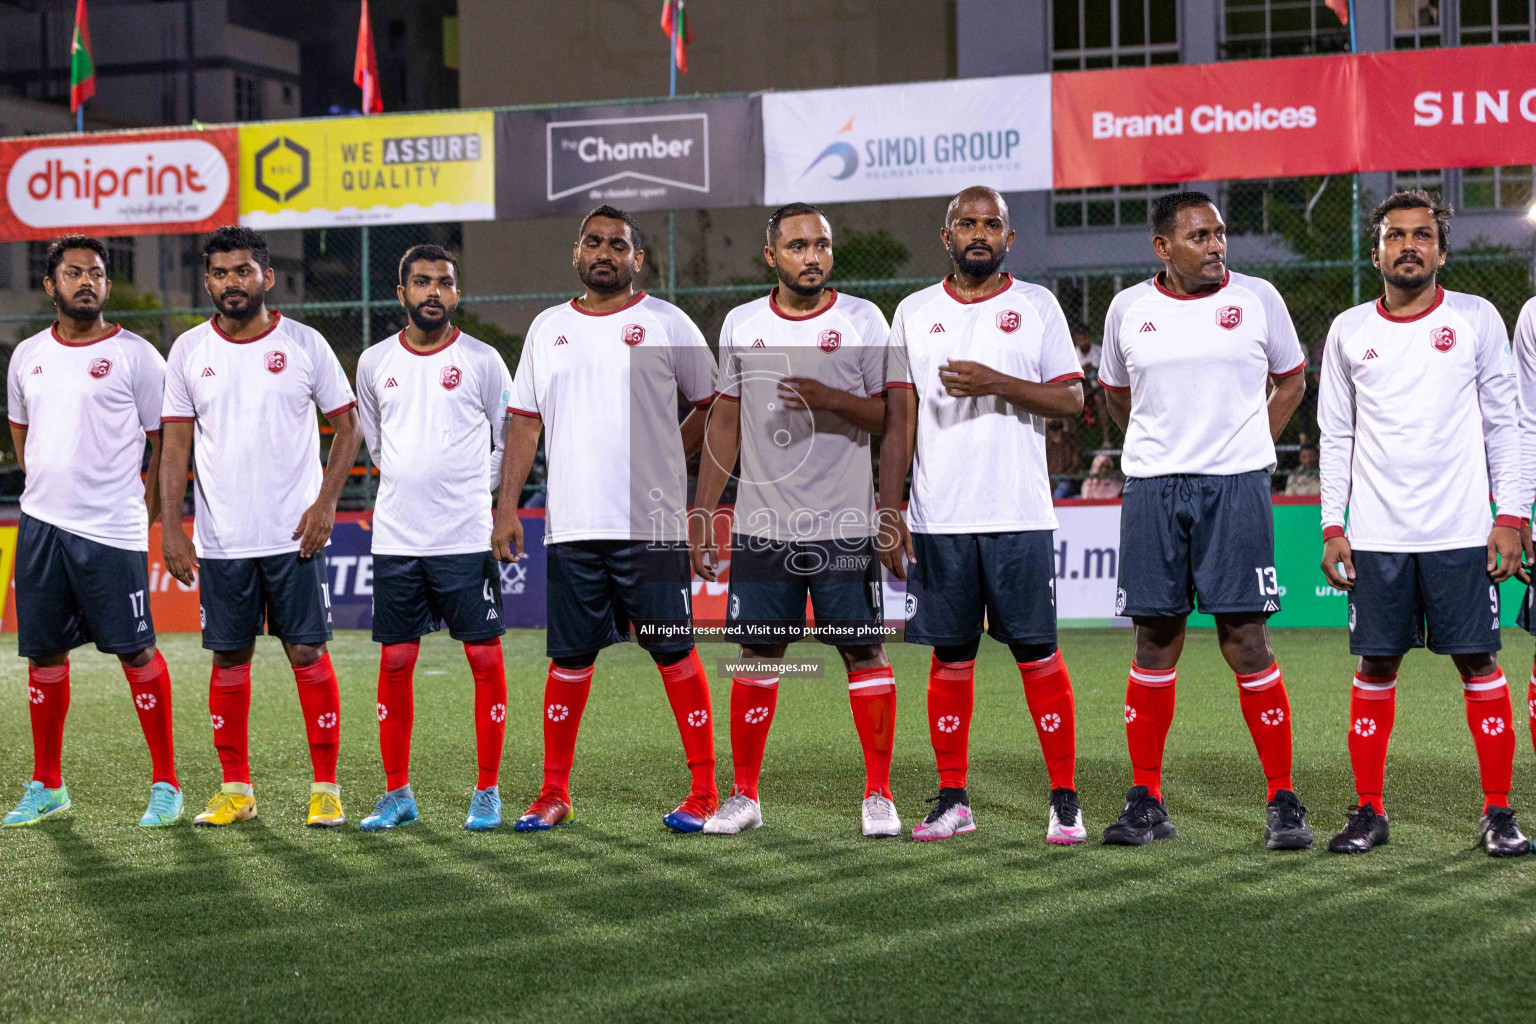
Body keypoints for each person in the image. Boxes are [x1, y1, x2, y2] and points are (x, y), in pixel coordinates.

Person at [492, 205, 720, 833]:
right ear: (576, 252)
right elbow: (524, 421)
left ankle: (704, 788)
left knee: (674, 654)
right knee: (569, 660)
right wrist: (507, 507)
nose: (604, 252)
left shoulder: (667, 322)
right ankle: (553, 791)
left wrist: (672, 451)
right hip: (572, 526)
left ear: (636, 259)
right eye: (593, 242)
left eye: (617, 245)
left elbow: (716, 403)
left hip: (650, 525)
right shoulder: (547, 328)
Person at [1097, 191, 1312, 850]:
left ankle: (1282, 798)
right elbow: (1114, 390)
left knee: (1246, 638)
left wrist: (1250, 449)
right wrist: (1162, 444)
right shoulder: (1128, 309)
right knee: (1154, 639)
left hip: (1235, 488)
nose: (1216, 245)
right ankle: (1146, 801)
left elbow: (1293, 379)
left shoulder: (1257, 298)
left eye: (1220, 233)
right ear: (1163, 248)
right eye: (1199, 236)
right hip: (1154, 489)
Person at [1320, 190, 1528, 857]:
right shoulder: (1350, 329)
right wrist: (1332, 526)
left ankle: (1498, 812)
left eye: (1422, 235)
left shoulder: (1475, 318)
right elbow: (1335, 433)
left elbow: (1507, 422)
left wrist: (1510, 516)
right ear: (1375, 248)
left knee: (1479, 662)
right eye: (1395, 235)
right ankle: (1369, 812)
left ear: (1441, 248)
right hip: (1378, 536)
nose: (1408, 246)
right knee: (1375, 665)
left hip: (1463, 532)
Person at [877, 185, 1088, 845]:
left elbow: (1072, 401)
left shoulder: (1036, 306)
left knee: (1037, 653)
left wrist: (995, 380)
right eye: (965, 223)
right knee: (951, 656)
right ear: (946, 235)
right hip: (941, 518)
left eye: (990, 224)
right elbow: (900, 418)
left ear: (1009, 238)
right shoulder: (913, 311)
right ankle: (953, 798)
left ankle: (1064, 800)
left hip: (1019, 514)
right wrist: (889, 507)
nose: (978, 233)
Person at [689, 203, 899, 838]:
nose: (812, 256)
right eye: (798, 245)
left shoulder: (863, 319)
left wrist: (833, 400)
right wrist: (703, 510)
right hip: (761, 527)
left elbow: (891, 419)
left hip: (843, 525)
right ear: (771, 256)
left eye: (822, 245)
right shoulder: (742, 323)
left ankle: (879, 796)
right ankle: (745, 796)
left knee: (863, 651)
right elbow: (724, 420)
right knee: (757, 654)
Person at [159, 226, 361, 828]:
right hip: (222, 540)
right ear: (208, 282)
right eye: (220, 273)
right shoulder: (190, 351)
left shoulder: (305, 344)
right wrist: (173, 528)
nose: (231, 283)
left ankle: (325, 787)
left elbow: (347, 427)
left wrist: (327, 504)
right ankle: (235, 789)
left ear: (266, 277)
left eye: (242, 271)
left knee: (306, 652)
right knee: (228, 658)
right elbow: (174, 450)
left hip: (293, 536)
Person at [2, 235, 180, 828]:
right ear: (51, 286)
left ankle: (166, 783)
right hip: (41, 526)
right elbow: (22, 434)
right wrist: (49, 488)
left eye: (97, 273)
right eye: (73, 273)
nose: (87, 281)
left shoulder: (138, 356)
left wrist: (148, 510)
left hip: (111, 530)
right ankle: (47, 784)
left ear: (106, 286)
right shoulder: (27, 354)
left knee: (136, 650)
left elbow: (167, 445)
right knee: (44, 655)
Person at [352, 245, 513, 833]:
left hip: (465, 536)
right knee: (395, 660)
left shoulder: (484, 360)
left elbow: (510, 435)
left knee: (483, 657)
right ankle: (398, 794)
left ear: (456, 292)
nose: (433, 293)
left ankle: (488, 791)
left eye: (444, 283)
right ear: (402, 294)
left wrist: (485, 496)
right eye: (421, 283)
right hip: (396, 538)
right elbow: (375, 441)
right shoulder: (373, 362)